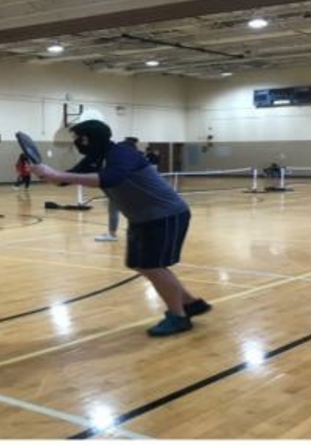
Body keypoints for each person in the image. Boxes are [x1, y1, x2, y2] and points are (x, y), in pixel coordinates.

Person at [31, 120, 211, 337]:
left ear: (89, 138)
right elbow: (63, 181)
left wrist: (58, 175)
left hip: (165, 214)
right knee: (141, 265)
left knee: (153, 266)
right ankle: (190, 303)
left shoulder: (121, 153)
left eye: (78, 138)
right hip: (141, 218)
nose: (76, 142)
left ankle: (179, 317)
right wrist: (45, 173)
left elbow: (111, 178)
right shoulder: (95, 158)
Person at [95, 136, 139, 242]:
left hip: (121, 189)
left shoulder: (122, 158)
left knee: (114, 210)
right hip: (129, 189)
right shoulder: (136, 157)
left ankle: (112, 234)